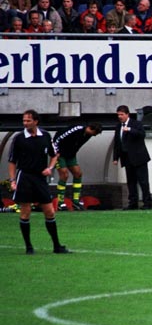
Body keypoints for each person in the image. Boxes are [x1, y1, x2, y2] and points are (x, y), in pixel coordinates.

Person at [7, 109, 70, 254]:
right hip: (25, 177)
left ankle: (57, 246)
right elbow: (12, 161)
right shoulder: (19, 138)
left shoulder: (46, 136)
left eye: (28, 120)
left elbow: (54, 155)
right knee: (25, 211)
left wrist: (50, 168)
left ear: (36, 121)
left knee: (49, 211)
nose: (25, 123)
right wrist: (12, 180)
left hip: (40, 178)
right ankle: (29, 247)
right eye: (24, 121)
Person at [52, 123, 102, 211]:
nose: (94, 136)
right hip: (59, 154)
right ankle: (60, 202)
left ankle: (76, 201)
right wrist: (55, 152)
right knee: (64, 175)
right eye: (94, 133)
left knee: (78, 174)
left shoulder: (87, 135)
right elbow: (58, 137)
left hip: (70, 155)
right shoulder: (76, 129)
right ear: (90, 128)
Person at [112, 105, 152, 210]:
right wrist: (115, 158)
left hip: (139, 158)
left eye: (121, 114)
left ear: (127, 114)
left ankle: (147, 203)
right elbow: (117, 143)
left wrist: (129, 129)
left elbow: (142, 134)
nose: (120, 117)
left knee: (143, 181)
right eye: (118, 115)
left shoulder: (136, 124)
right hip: (127, 158)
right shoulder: (118, 126)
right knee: (131, 182)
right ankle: (133, 203)